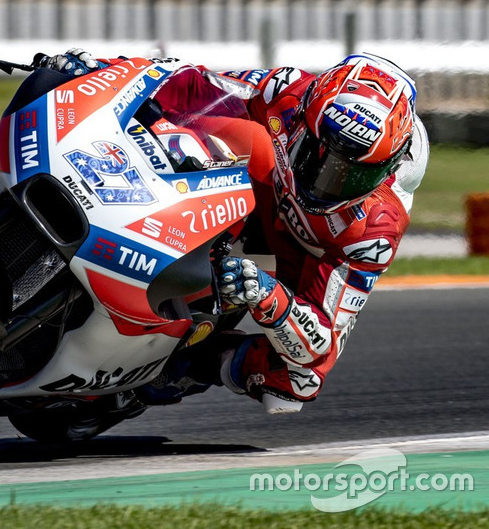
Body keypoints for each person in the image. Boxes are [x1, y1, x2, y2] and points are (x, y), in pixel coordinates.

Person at [41, 49, 429, 414]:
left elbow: (319, 341)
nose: (330, 185)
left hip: (301, 257)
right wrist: (103, 70)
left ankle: (190, 363)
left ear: (389, 165)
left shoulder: (375, 229)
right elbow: (194, 84)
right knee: (228, 131)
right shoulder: (287, 90)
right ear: (305, 121)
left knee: (299, 380)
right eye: (322, 161)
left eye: (356, 175)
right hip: (258, 186)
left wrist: (267, 296)